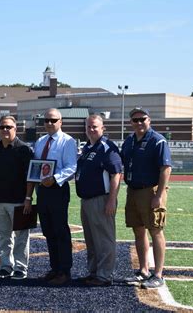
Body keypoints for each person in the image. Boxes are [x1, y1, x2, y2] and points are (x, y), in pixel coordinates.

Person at [121, 107, 172, 289]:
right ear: (131, 123)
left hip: (151, 190)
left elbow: (166, 168)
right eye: (135, 120)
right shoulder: (129, 141)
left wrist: (159, 195)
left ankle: (158, 274)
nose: (139, 122)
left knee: (156, 230)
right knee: (138, 230)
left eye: (142, 119)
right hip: (132, 190)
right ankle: (143, 270)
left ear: (149, 120)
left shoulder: (158, 141)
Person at [25, 108, 77, 286]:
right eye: (46, 120)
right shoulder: (40, 141)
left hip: (58, 190)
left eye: (53, 120)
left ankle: (64, 271)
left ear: (60, 122)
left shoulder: (67, 141)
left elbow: (71, 167)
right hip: (42, 191)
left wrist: (54, 179)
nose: (49, 123)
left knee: (60, 231)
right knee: (48, 231)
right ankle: (54, 268)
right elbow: (36, 167)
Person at [75, 115, 122, 287]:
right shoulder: (87, 147)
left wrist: (111, 200)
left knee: (104, 239)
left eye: (94, 126)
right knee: (91, 240)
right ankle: (93, 272)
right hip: (86, 200)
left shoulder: (106, 147)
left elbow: (116, 174)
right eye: (88, 127)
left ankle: (104, 275)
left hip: (101, 199)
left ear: (103, 128)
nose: (91, 129)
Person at [0, 116, 34, 280]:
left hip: (20, 200)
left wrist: (28, 198)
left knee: (21, 237)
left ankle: (21, 267)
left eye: (8, 127)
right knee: (4, 237)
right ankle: (6, 266)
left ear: (16, 129)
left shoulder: (24, 150)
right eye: (2, 127)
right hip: (0, 201)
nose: (5, 130)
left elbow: (31, 177)